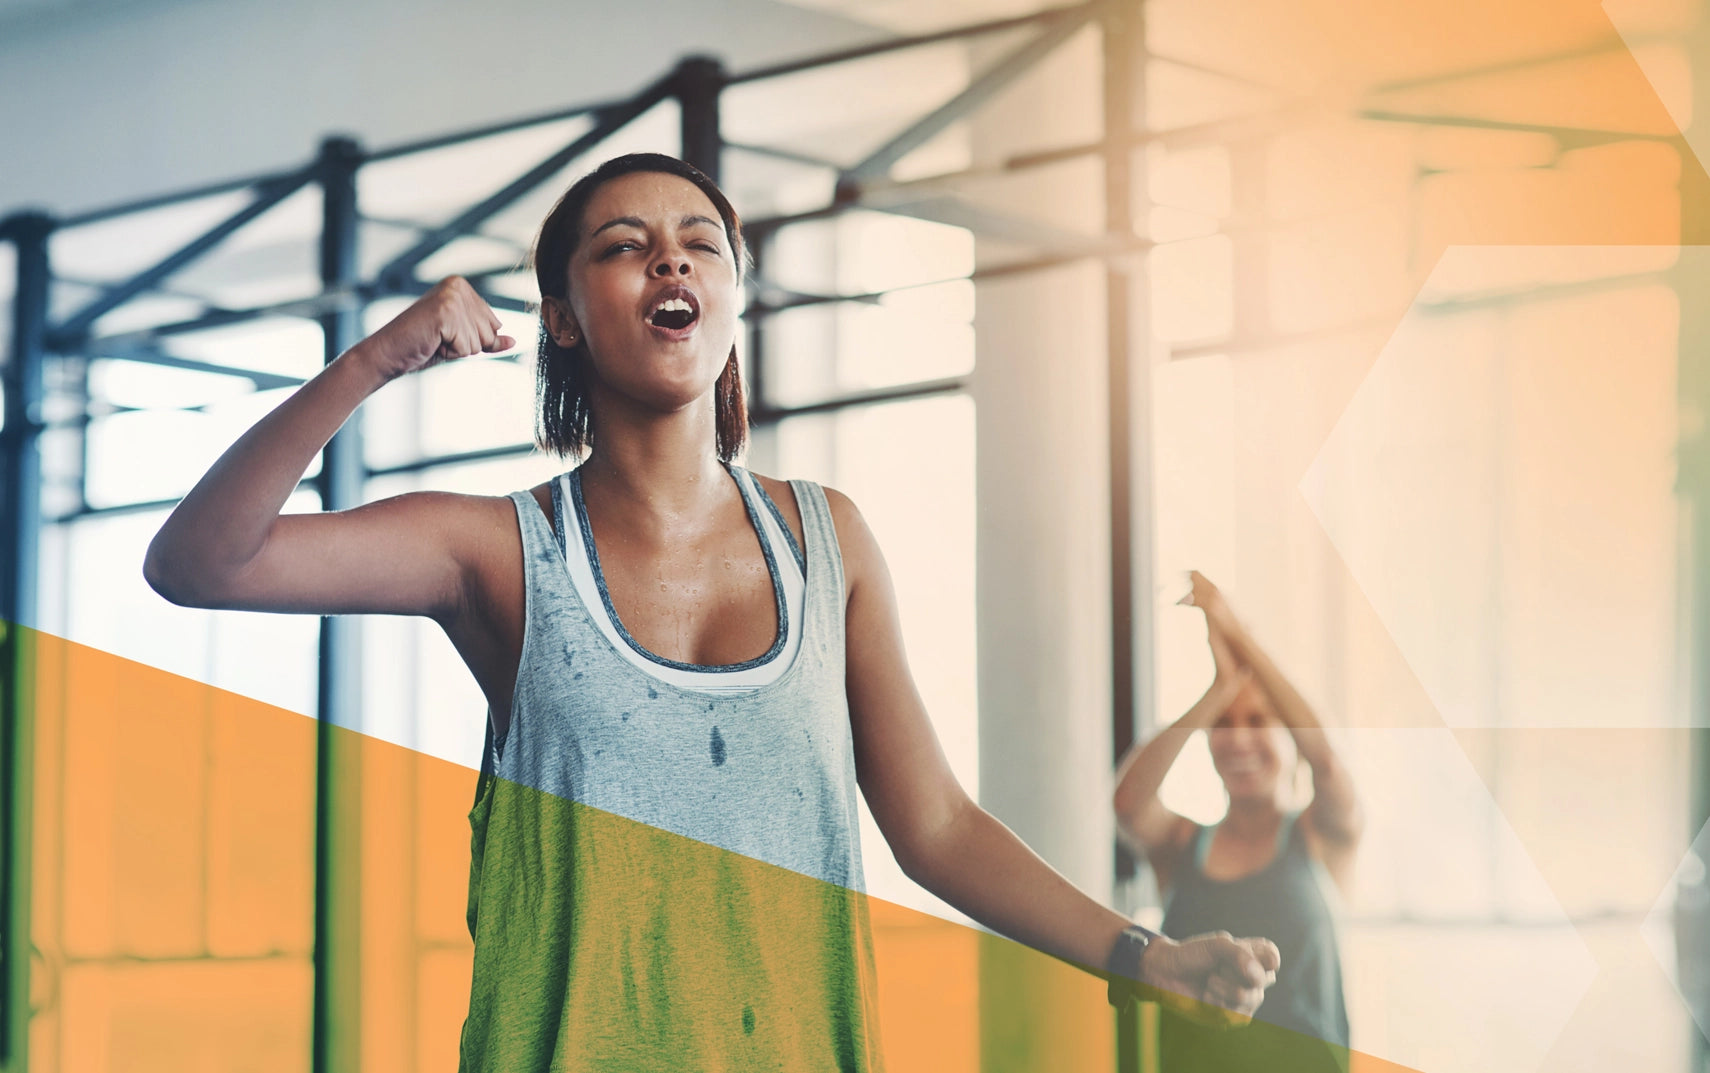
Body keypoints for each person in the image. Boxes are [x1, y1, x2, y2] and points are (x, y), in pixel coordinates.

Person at [144, 152, 1278, 1072]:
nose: (667, 260)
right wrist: (376, 361)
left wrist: (1149, 957)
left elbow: (936, 827)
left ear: (730, 297)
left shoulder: (829, 538)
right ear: (566, 317)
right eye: (623, 247)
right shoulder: (495, 550)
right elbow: (200, 562)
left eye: (699, 243)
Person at [1113, 570, 1361, 1071]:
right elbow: (1130, 803)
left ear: (1288, 733)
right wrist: (1217, 690)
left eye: (1258, 721)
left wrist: (1236, 632)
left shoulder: (1319, 833)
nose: (1238, 740)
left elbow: (1328, 761)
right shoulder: (1183, 844)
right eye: (1222, 725)